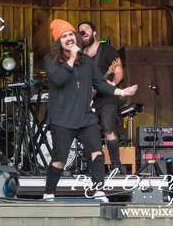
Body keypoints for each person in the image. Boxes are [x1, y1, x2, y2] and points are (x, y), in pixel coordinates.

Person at [43, 19, 137, 201]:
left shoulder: (86, 60)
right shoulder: (51, 60)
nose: (69, 38)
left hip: (85, 117)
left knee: (97, 152)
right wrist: (71, 58)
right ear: (58, 41)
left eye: (71, 34)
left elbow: (101, 84)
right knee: (59, 159)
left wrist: (123, 91)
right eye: (64, 36)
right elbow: (59, 80)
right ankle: (48, 193)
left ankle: (99, 191)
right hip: (62, 118)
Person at [78, 20, 125, 174]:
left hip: (106, 98)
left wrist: (111, 84)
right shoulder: (80, 55)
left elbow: (118, 71)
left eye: (86, 29)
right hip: (88, 100)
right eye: (80, 30)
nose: (83, 32)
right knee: (87, 132)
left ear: (94, 33)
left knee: (108, 128)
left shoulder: (106, 50)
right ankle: (92, 167)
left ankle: (116, 166)